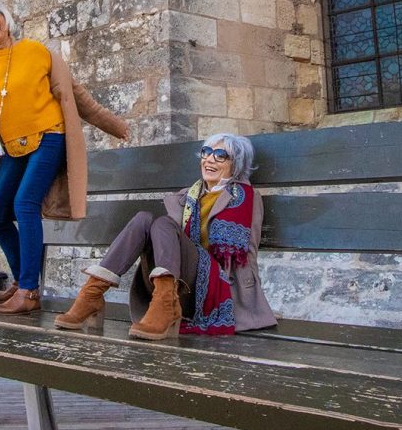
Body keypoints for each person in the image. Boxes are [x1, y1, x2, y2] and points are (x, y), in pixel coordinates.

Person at [0, 0, 129, 315]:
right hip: (12, 146)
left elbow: (77, 96)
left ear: (6, 19)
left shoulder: (36, 52)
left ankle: (30, 291)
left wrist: (115, 125)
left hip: (50, 136)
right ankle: (23, 281)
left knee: (24, 203)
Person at [55, 132, 277, 339]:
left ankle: (165, 305)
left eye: (220, 156)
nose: (210, 160)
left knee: (162, 223)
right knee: (144, 218)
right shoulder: (188, 196)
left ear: (235, 164)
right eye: (206, 153)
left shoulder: (245, 198)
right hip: (179, 282)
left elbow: (248, 251)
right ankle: (92, 294)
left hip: (217, 290)